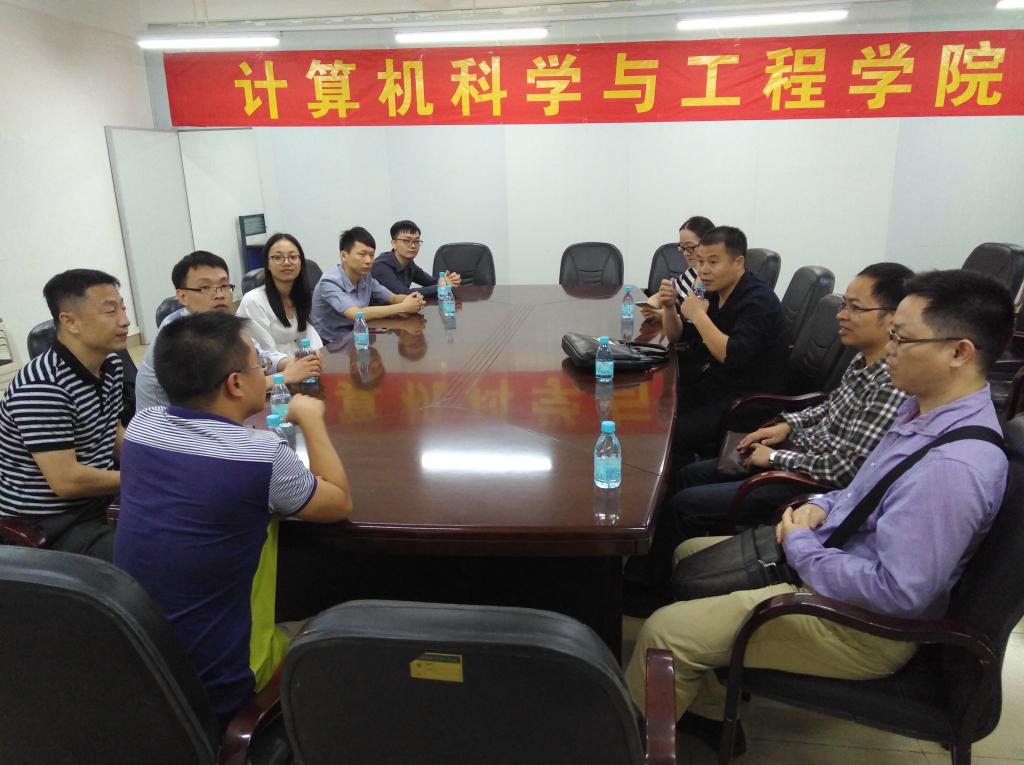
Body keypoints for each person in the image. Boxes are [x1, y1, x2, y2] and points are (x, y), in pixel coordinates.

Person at [624, 269, 1013, 756]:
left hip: (861, 627)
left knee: (665, 632)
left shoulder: (953, 468)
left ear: (959, 352)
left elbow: (898, 594)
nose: (890, 349)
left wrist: (801, 546)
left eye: (902, 338)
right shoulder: (923, 412)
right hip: (837, 557)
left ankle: (625, 745)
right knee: (687, 554)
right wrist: (818, 504)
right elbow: (860, 486)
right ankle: (710, 713)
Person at [625, 263, 914, 609]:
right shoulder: (865, 360)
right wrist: (787, 426)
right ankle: (666, 572)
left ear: (893, 318)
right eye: (843, 305)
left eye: (855, 308)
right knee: (687, 474)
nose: (842, 315)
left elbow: (845, 470)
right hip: (797, 452)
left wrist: (775, 457)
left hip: (804, 481)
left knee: (683, 505)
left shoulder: (891, 383)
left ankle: (648, 593)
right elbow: (828, 407)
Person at [114, 312, 352, 724]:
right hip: (225, 680)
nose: (267, 375)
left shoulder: (141, 429)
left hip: (142, 665)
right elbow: (338, 503)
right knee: (339, 629)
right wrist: (312, 420)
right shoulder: (260, 456)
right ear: (235, 384)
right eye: (259, 365)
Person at [0, 269, 130, 560]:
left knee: (181, 515)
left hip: (97, 499)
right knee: (150, 553)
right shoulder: (42, 387)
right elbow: (67, 482)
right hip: (48, 521)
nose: (124, 320)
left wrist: (157, 461)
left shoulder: (110, 365)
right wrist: (141, 475)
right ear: (70, 322)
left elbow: (114, 433)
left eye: (123, 308)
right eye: (110, 311)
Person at [659, 225, 787, 461]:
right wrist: (669, 308)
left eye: (713, 262)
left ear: (738, 262)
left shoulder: (759, 301)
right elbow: (681, 336)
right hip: (716, 386)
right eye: (700, 261)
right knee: (661, 407)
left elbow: (730, 355)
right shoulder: (715, 292)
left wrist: (698, 315)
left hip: (745, 401)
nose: (703, 270)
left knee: (672, 433)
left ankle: (680, 480)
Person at [136, 251, 321, 410]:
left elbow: (258, 355)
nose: (219, 294)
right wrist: (286, 376)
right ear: (182, 296)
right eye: (205, 287)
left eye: (224, 286)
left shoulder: (217, 320)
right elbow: (222, 391)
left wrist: (289, 363)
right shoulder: (178, 336)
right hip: (170, 431)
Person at [311, 226, 426, 343]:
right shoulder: (329, 282)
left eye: (371, 255)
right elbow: (356, 314)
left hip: (359, 336)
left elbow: (392, 297)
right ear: (343, 255)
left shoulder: (365, 276)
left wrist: (412, 300)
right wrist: (403, 307)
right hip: (331, 345)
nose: (368, 261)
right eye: (362, 254)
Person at [235, 233, 323, 356]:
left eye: (293, 257)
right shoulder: (253, 301)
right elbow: (266, 352)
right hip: (272, 365)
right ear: (267, 264)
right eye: (277, 257)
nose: (286, 262)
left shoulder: (299, 296)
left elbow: (307, 336)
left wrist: (316, 354)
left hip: (298, 361)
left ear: (300, 262)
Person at [639, 216, 715, 320]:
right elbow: (661, 296)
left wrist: (663, 315)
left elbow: (693, 319)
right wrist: (650, 306)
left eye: (690, 247)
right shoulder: (691, 271)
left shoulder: (713, 281)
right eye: (682, 247)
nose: (685, 253)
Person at [371, 220, 461, 298]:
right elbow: (403, 294)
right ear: (394, 244)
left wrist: (448, 280)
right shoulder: (380, 266)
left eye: (417, 241)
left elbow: (431, 282)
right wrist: (442, 285)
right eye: (407, 241)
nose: (413, 245)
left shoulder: (409, 263)